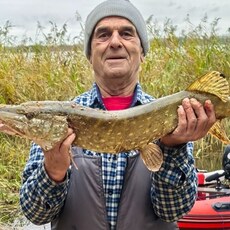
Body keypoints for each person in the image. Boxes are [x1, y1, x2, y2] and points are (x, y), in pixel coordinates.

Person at [18, 0, 216, 229]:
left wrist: (172, 147)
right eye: (102, 35)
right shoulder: (57, 118)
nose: (114, 42)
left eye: (126, 33)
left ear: (142, 52)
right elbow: (36, 215)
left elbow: (173, 209)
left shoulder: (174, 113)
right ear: (89, 55)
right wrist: (52, 172)